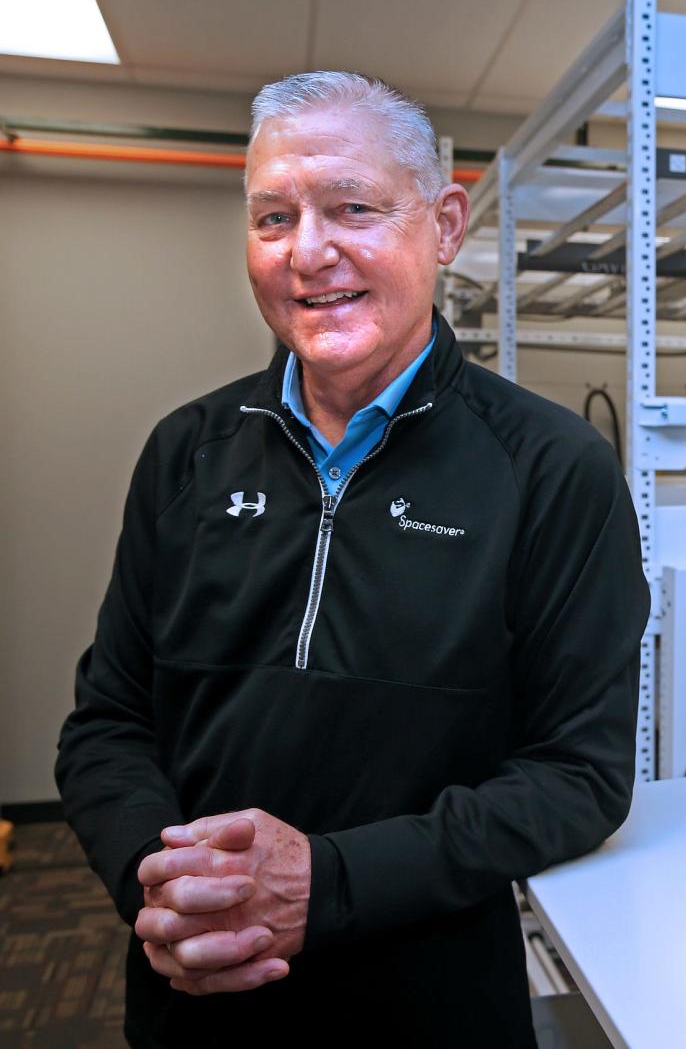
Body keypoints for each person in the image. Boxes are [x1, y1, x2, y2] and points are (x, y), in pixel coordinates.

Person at [55, 71, 649, 1048]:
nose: (309, 253)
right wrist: (156, 886)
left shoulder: (549, 470)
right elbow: (107, 725)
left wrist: (326, 883)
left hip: (430, 1006)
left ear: (446, 224)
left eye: (354, 209)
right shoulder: (185, 454)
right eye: (273, 218)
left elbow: (578, 777)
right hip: (195, 1000)